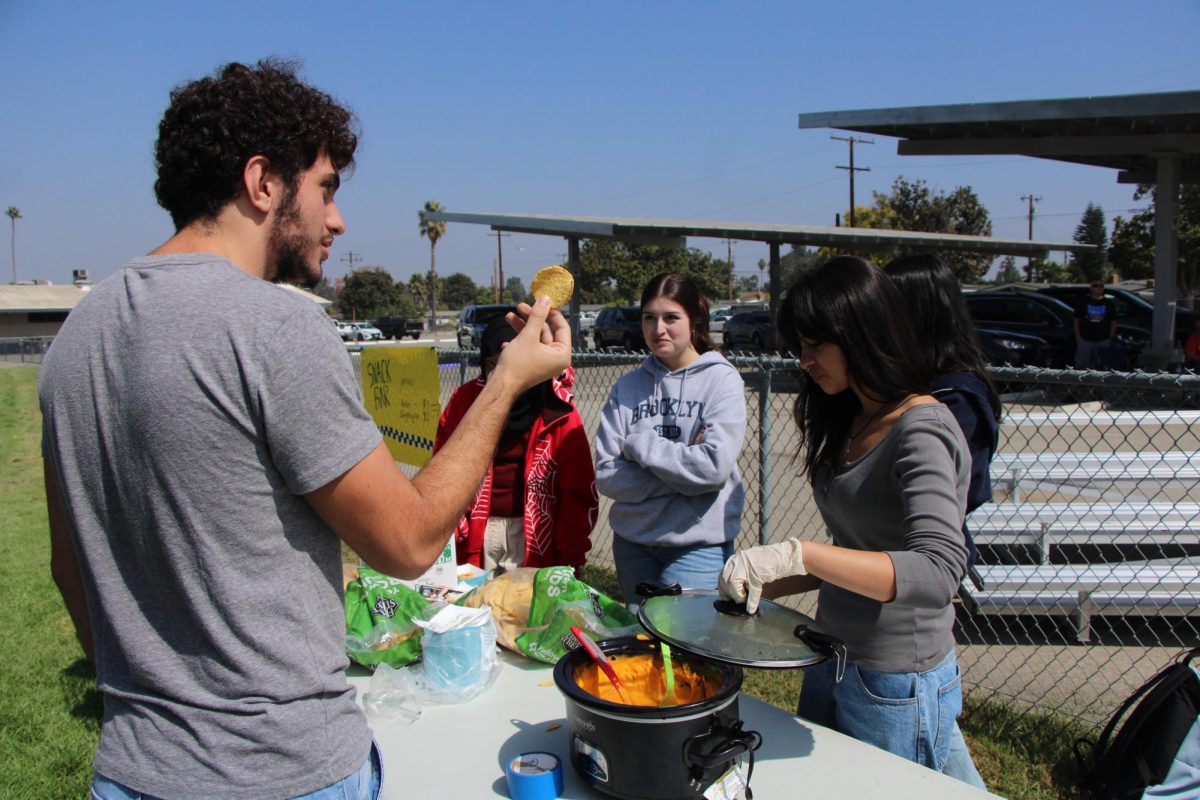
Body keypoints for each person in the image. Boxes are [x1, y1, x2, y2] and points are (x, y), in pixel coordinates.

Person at [39, 59, 570, 800]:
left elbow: (71, 573)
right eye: (325, 189)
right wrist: (508, 379)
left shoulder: (75, 339)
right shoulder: (275, 326)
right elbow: (411, 542)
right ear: (262, 183)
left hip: (131, 770)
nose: (338, 220)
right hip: (282, 772)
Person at [718, 256, 975, 783]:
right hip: (833, 656)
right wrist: (763, 581)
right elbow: (857, 550)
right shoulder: (853, 416)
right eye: (799, 347)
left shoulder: (921, 428)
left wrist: (802, 552)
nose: (805, 360)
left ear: (861, 333)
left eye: (816, 345)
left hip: (895, 680)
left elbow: (936, 573)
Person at [883, 253, 998, 789]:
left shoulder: (949, 399)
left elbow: (946, 510)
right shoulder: (927, 384)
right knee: (942, 750)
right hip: (890, 583)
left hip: (912, 587)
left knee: (928, 738)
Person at [594, 273, 746, 605]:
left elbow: (713, 470)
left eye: (671, 317)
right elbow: (607, 476)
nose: (658, 329)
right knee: (642, 643)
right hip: (633, 542)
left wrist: (638, 445)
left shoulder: (722, 381)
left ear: (694, 321)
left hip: (698, 545)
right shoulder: (627, 387)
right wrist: (686, 475)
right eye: (649, 317)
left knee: (684, 644)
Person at [434, 315, 597, 575]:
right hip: (478, 531)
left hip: (534, 538)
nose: (505, 376)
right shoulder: (466, 400)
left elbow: (577, 492)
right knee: (475, 608)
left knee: (524, 610)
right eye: (493, 366)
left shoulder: (557, 408)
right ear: (483, 365)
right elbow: (443, 468)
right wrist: (450, 528)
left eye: (513, 366)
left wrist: (570, 556)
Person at [1074, 279, 1117, 368]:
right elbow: (1076, 320)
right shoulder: (1083, 302)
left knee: (1102, 365)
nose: (1098, 288)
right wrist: (1078, 336)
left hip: (1103, 339)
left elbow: (1113, 320)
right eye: (1095, 286)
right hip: (1085, 339)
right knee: (1082, 365)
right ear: (1091, 288)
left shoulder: (1108, 303)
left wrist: (1110, 336)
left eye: (1101, 286)